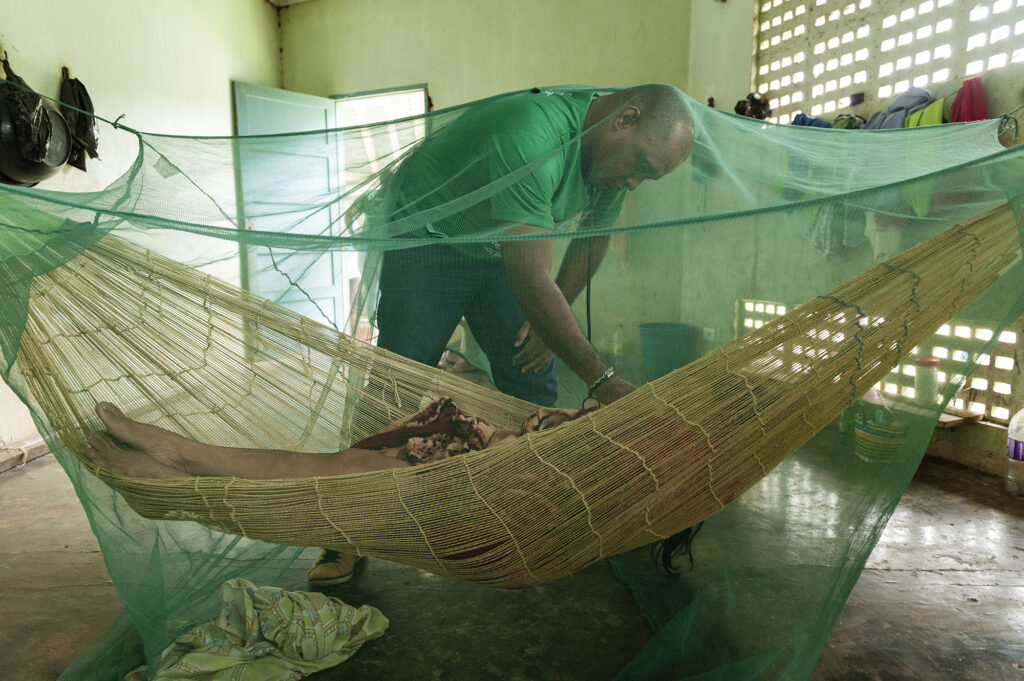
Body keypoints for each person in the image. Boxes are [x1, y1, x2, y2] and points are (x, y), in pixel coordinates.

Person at [374, 83, 695, 409]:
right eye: (640, 166)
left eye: (647, 177)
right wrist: (602, 380)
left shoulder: (610, 162)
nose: (633, 183)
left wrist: (550, 323)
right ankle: (368, 457)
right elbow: (531, 279)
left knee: (531, 371)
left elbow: (593, 238)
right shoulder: (533, 136)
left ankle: (530, 453)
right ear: (625, 119)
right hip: (430, 239)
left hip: (497, 248)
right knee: (400, 381)